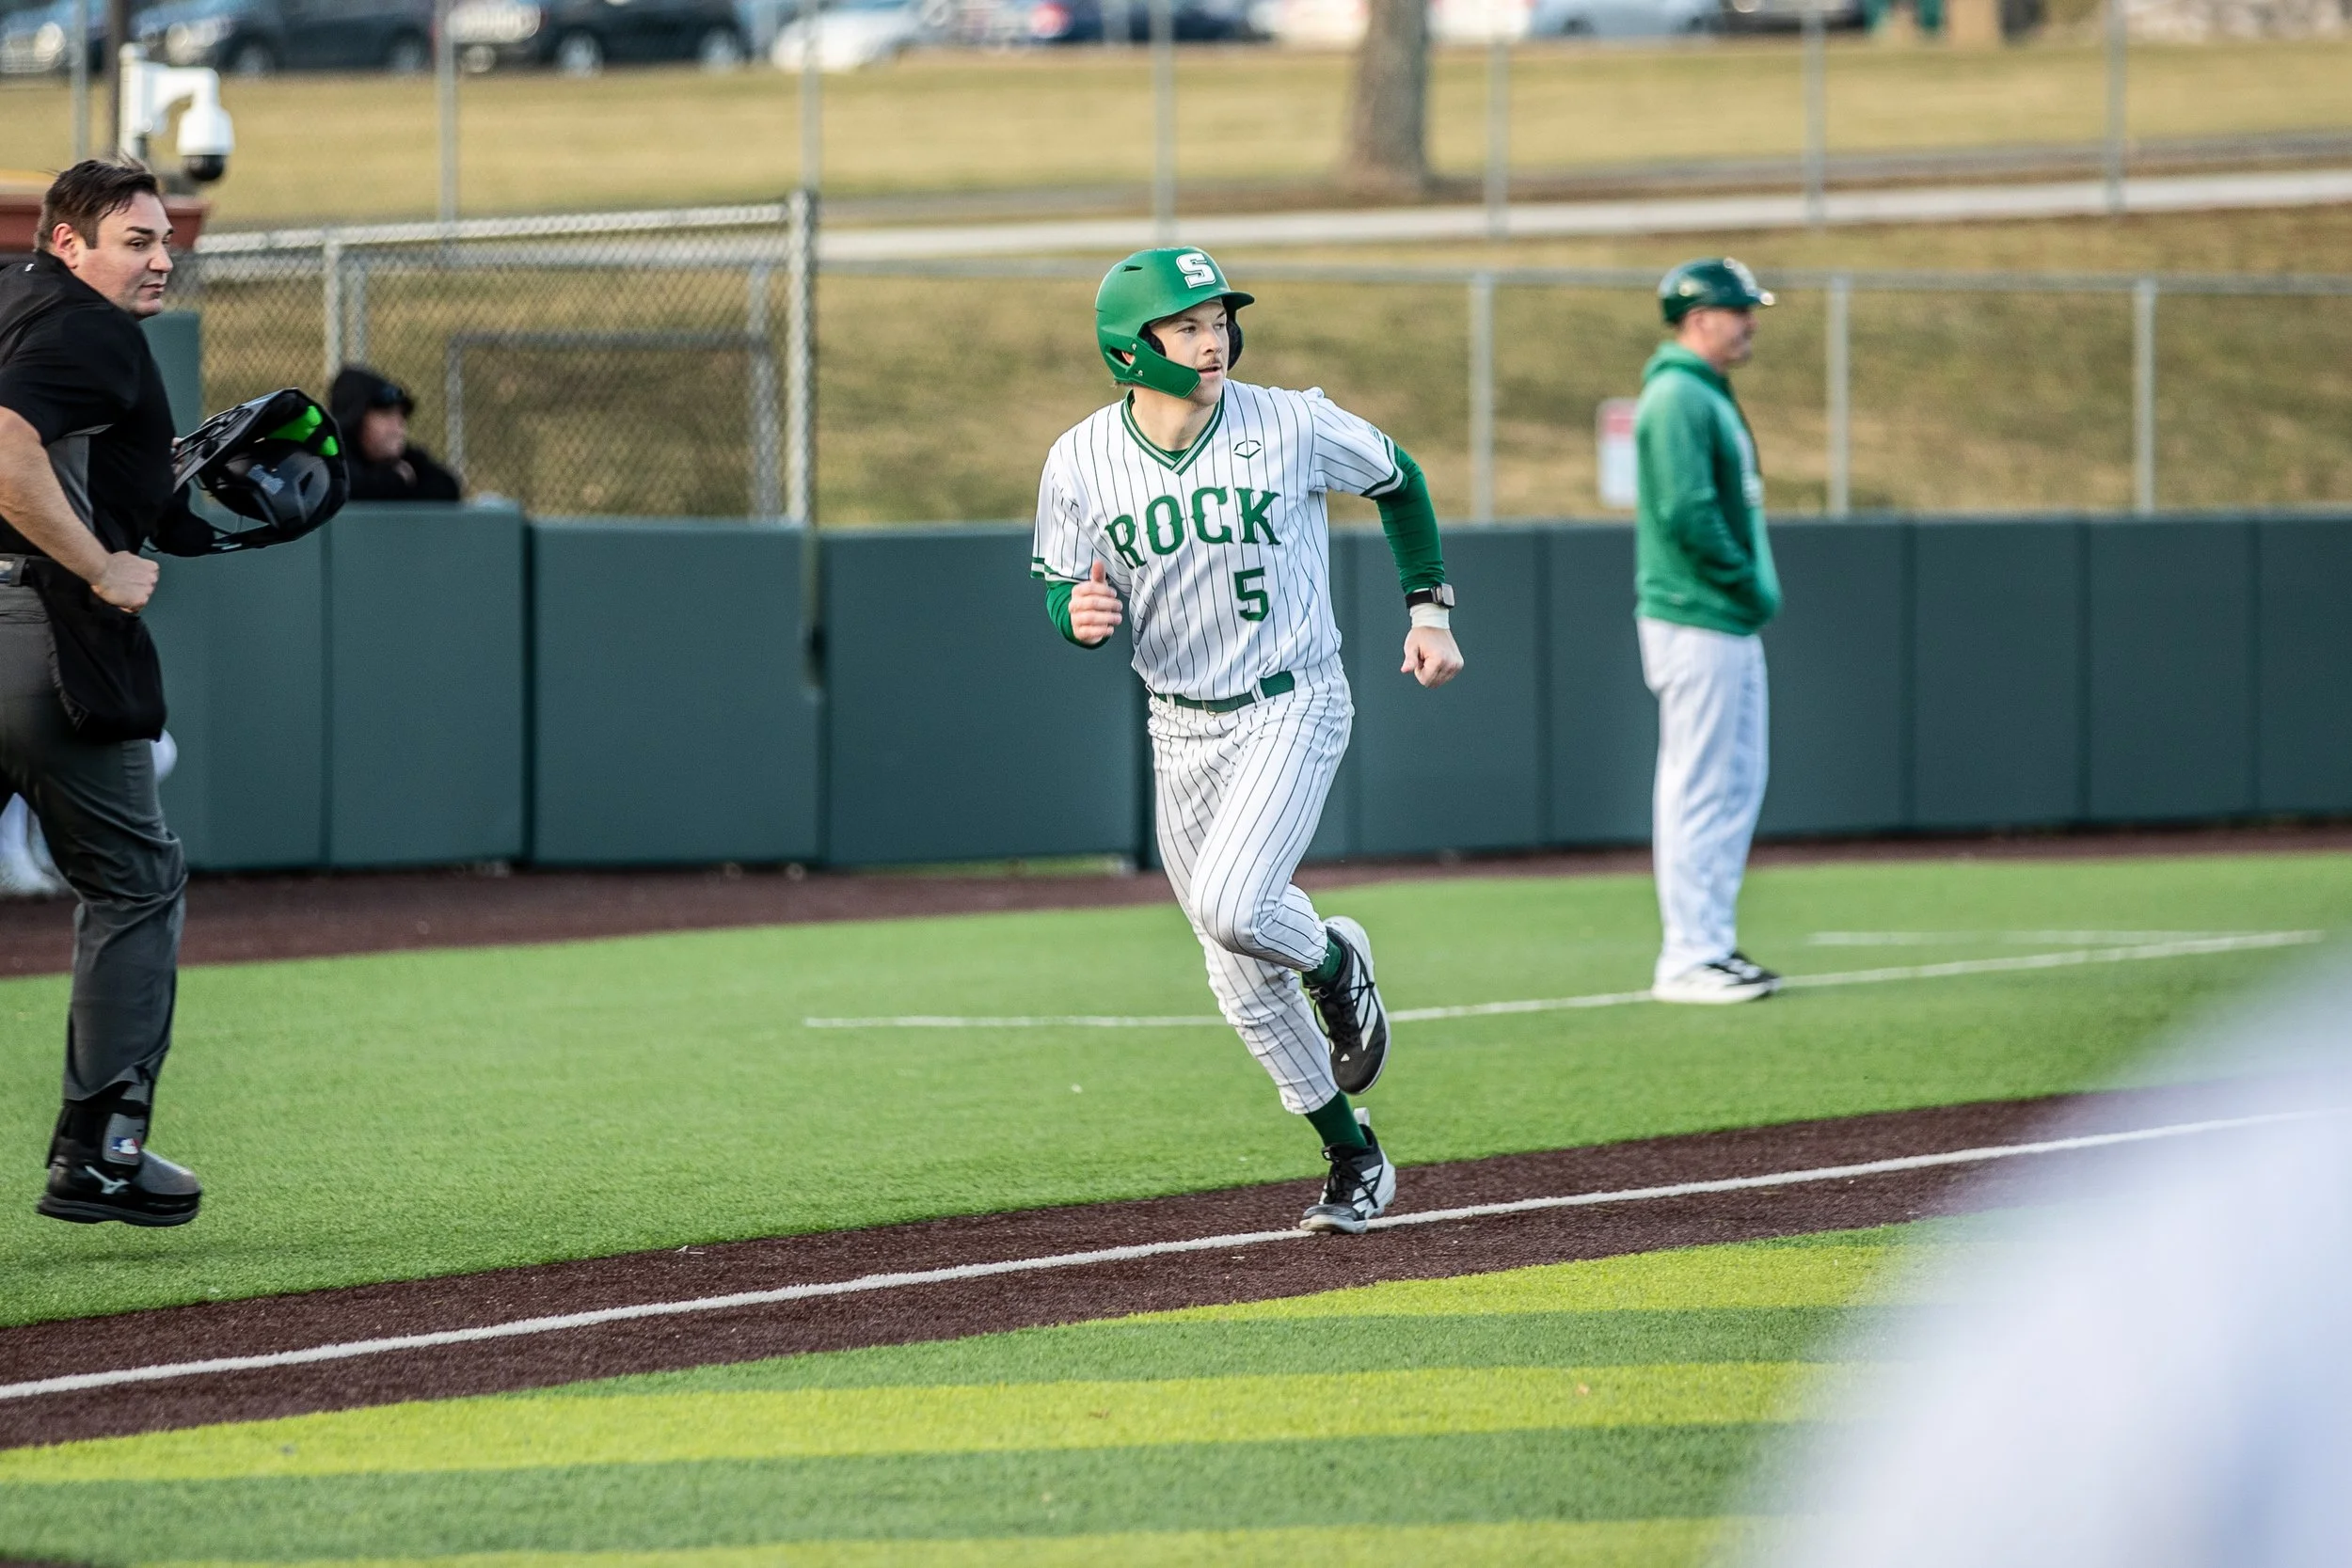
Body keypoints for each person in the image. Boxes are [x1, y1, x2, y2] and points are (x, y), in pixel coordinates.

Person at [1034, 246, 1464, 1236]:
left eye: (1218, 316)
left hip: (1292, 695)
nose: (1211, 336)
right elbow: (1059, 579)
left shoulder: (1291, 420)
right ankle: (1353, 1156)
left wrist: (1428, 608)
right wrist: (1074, 611)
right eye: (1184, 325)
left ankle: (1332, 960)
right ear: (1129, 350)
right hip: (1177, 723)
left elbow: (1400, 479)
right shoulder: (1079, 458)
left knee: (1236, 904)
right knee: (1235, 975)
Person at [0, 160, 204, 1226]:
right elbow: (4, 449)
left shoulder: (10, 297)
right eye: (136, 239)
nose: (161, 257)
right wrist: (96, 562)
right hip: (39, 640)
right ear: (67, 242)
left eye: (165, 239)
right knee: (135, 878)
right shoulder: (92, 330)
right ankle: (100, 1149)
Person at [1635, 257, 1783, 1006]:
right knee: (1698, 784)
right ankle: (1687, 955)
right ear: (1700, 319)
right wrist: (1748, 581)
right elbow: (1689, 514)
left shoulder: (1703, 392)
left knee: (1734, 781)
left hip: (1720, 617)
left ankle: (1713, 943)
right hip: (1696, 616)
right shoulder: (1676, 397)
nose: (1751, 320)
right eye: (1739, 310)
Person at [329, 364, 460, 502]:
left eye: (401, 416)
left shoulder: (406, 459)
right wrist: (397, 479)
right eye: (386, 415)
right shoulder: (330, 460)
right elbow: (351, 490)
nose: (398, 427)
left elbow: (447, 488)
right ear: (355, 419)